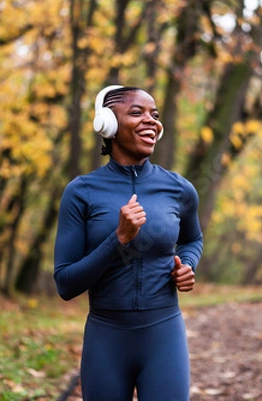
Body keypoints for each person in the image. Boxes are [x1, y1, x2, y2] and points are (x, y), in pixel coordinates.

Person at [53, 85, 203, 401]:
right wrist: (118, 239)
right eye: (137, 112)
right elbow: (66, 284)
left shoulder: (179, 189)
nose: (152, 121)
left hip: (163, 334)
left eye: (155, 115)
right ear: (107, 124)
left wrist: (187, 265)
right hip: (105, 337)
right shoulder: (81, 192)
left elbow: (193, 239)